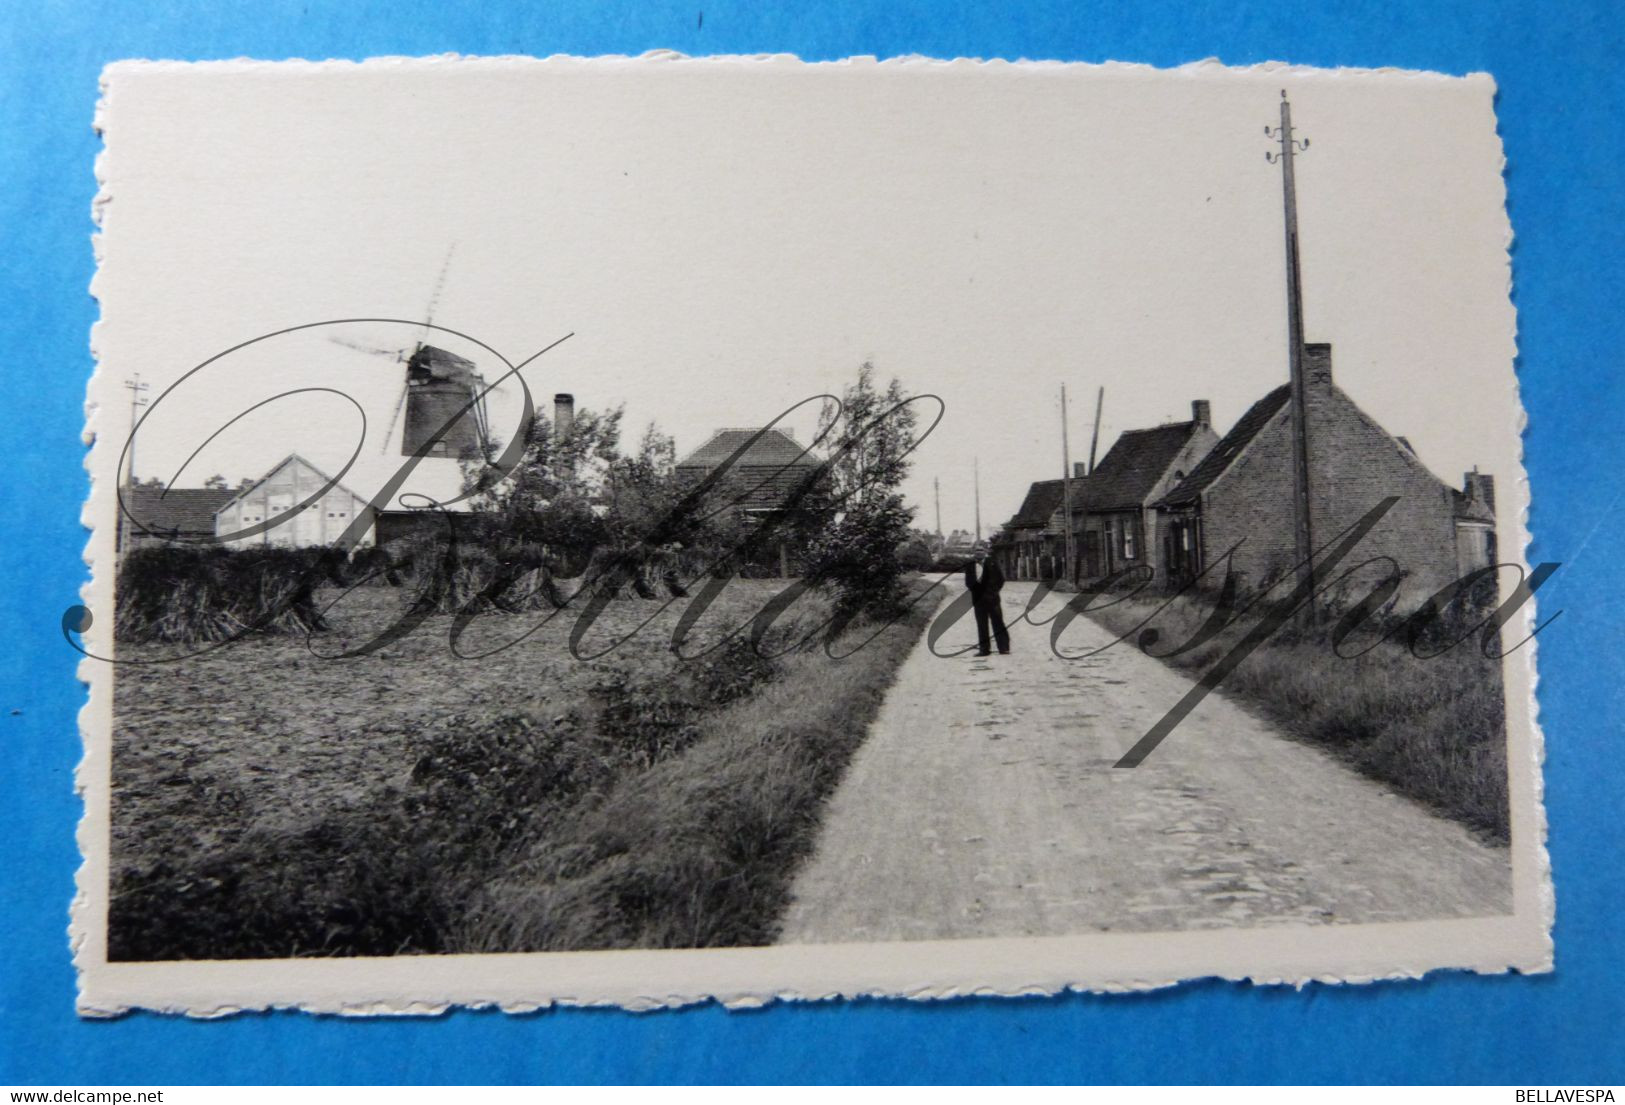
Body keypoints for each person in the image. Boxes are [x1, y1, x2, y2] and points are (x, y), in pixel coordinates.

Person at [964, 546, 1010, 656]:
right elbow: (968, 582)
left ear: (985, 552)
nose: (979, 553)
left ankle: (1003, 648)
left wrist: (994, 592)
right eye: (977, 551)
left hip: (993, 599)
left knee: (998, 622)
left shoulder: (992, 563)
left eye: (981, 550)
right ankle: (984, 650)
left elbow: (1001, 580)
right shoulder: (970, 566)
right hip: (978, 600)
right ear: (973, 553)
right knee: (981, 624)